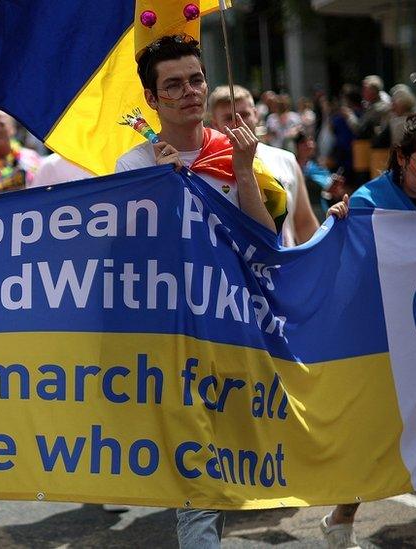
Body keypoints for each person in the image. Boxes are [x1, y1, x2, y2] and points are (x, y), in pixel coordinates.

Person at [115, 34, 285, 548]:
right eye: (173, 85)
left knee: (233, 461)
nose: (189, 91)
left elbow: (265, 242)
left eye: (195, 79)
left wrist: (243, 174)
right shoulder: (134, 167)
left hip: (234, 327)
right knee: (199, 467)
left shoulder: (234, 153)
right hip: (173, 335)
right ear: (152, 99)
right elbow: (130, 258)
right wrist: (166, 190)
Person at [323, 113, 416, 549]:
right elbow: (342, 270)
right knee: (376, 441)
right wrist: (338, 222)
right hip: (380, 345)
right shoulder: (366, 204)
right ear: (400, 158)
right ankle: (341, 519)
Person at [210, 85, 319, 246]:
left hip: (285, 267)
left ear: (256, 115)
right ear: (215, 124)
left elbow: (305, 226)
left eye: (245, 114)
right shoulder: (209, 169)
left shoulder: (286, 160)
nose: (238, 123)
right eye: (228, 118)